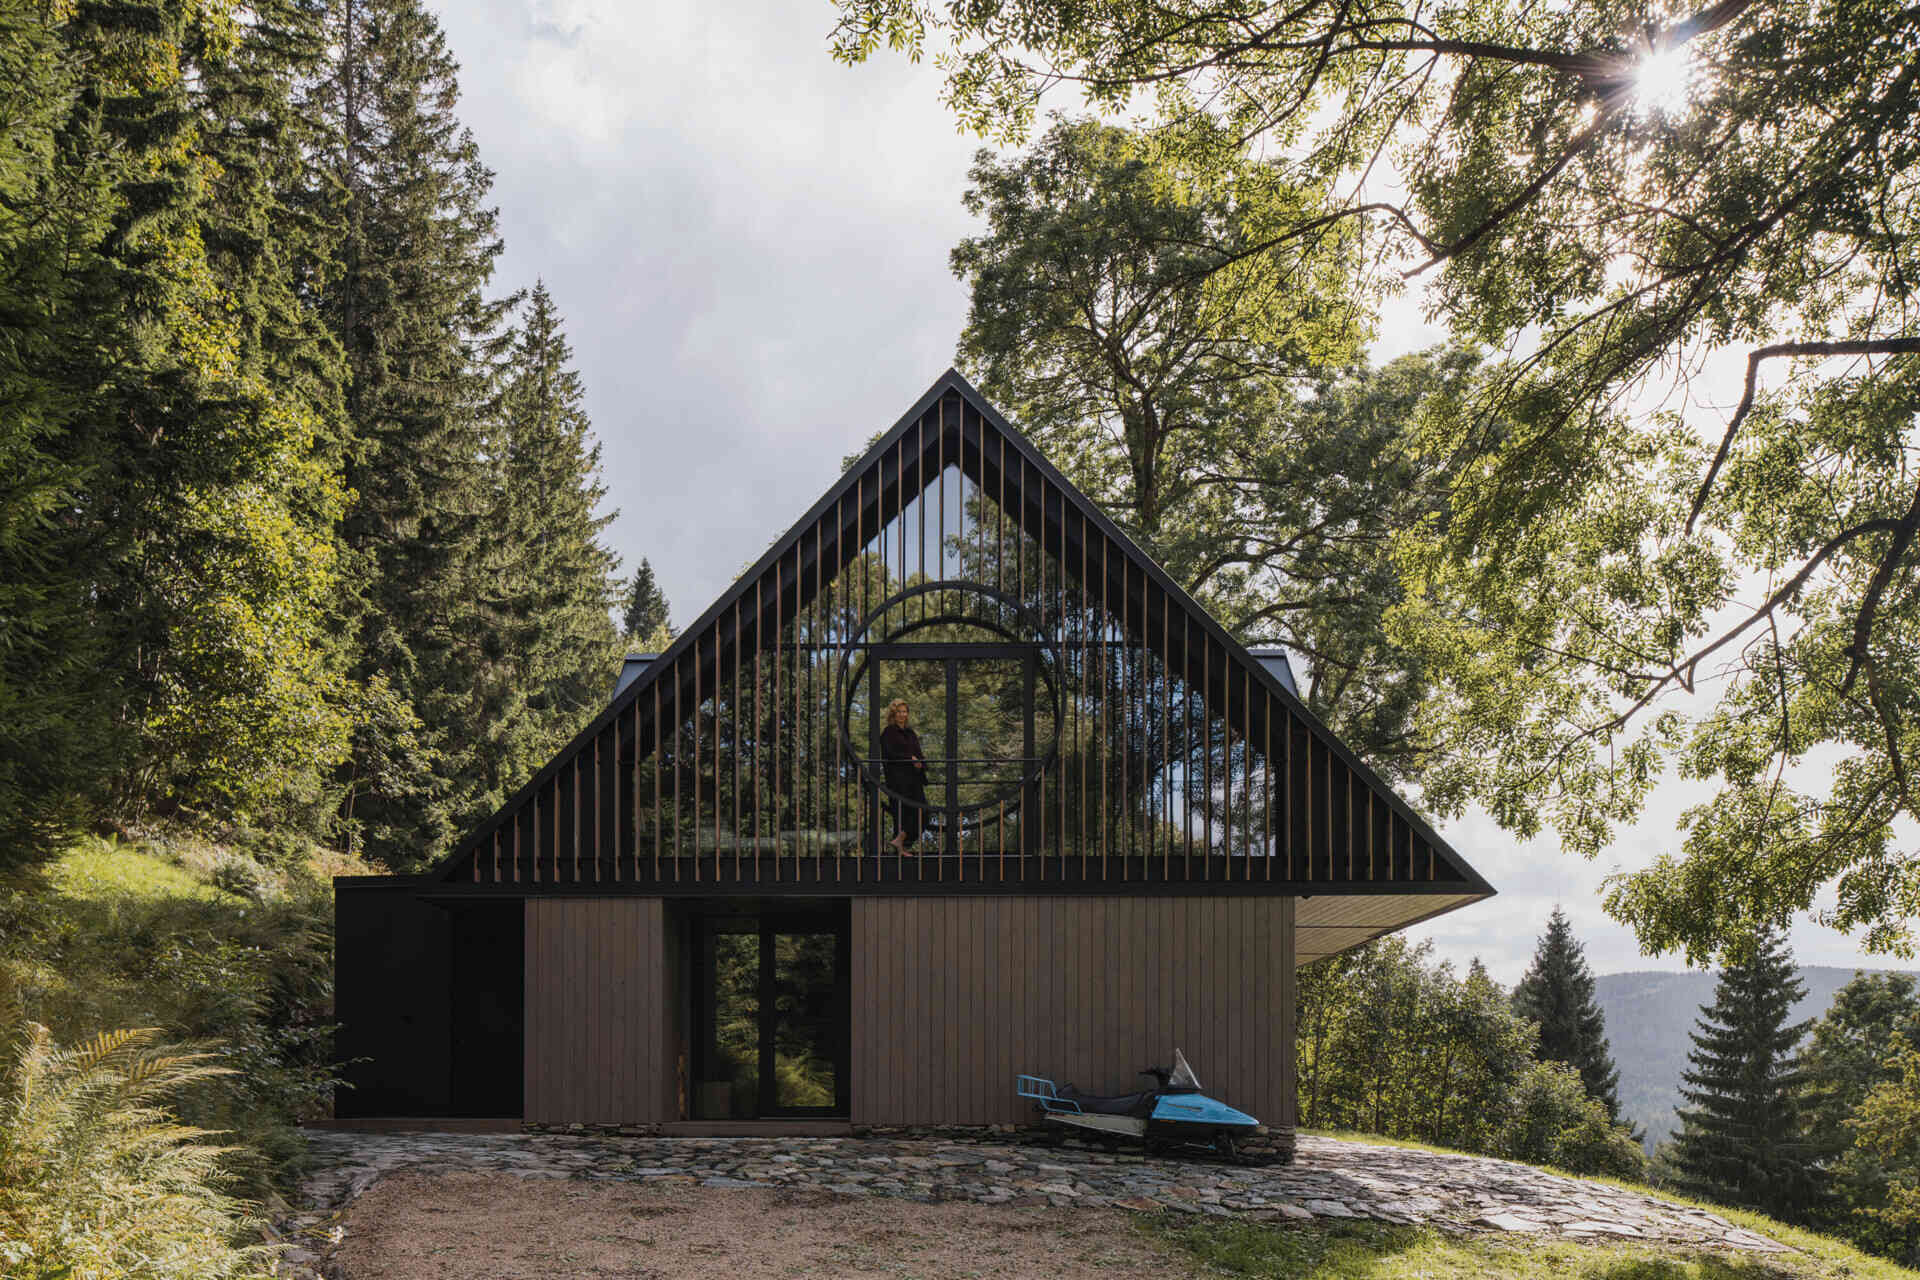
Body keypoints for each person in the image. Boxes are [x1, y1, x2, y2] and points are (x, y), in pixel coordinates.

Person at [878, 698, 928, 855]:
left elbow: (919, 754)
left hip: (914, 779)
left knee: (924, 812)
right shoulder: (888, 732)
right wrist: (910, 759)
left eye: (905, 712)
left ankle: (900, 839)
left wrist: (921, 763)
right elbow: (890, 754)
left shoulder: (911, 733)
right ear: (893, 714)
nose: (902, 715)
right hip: (898, 780)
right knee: (901, 815)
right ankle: (900, 848)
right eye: (899, 712)